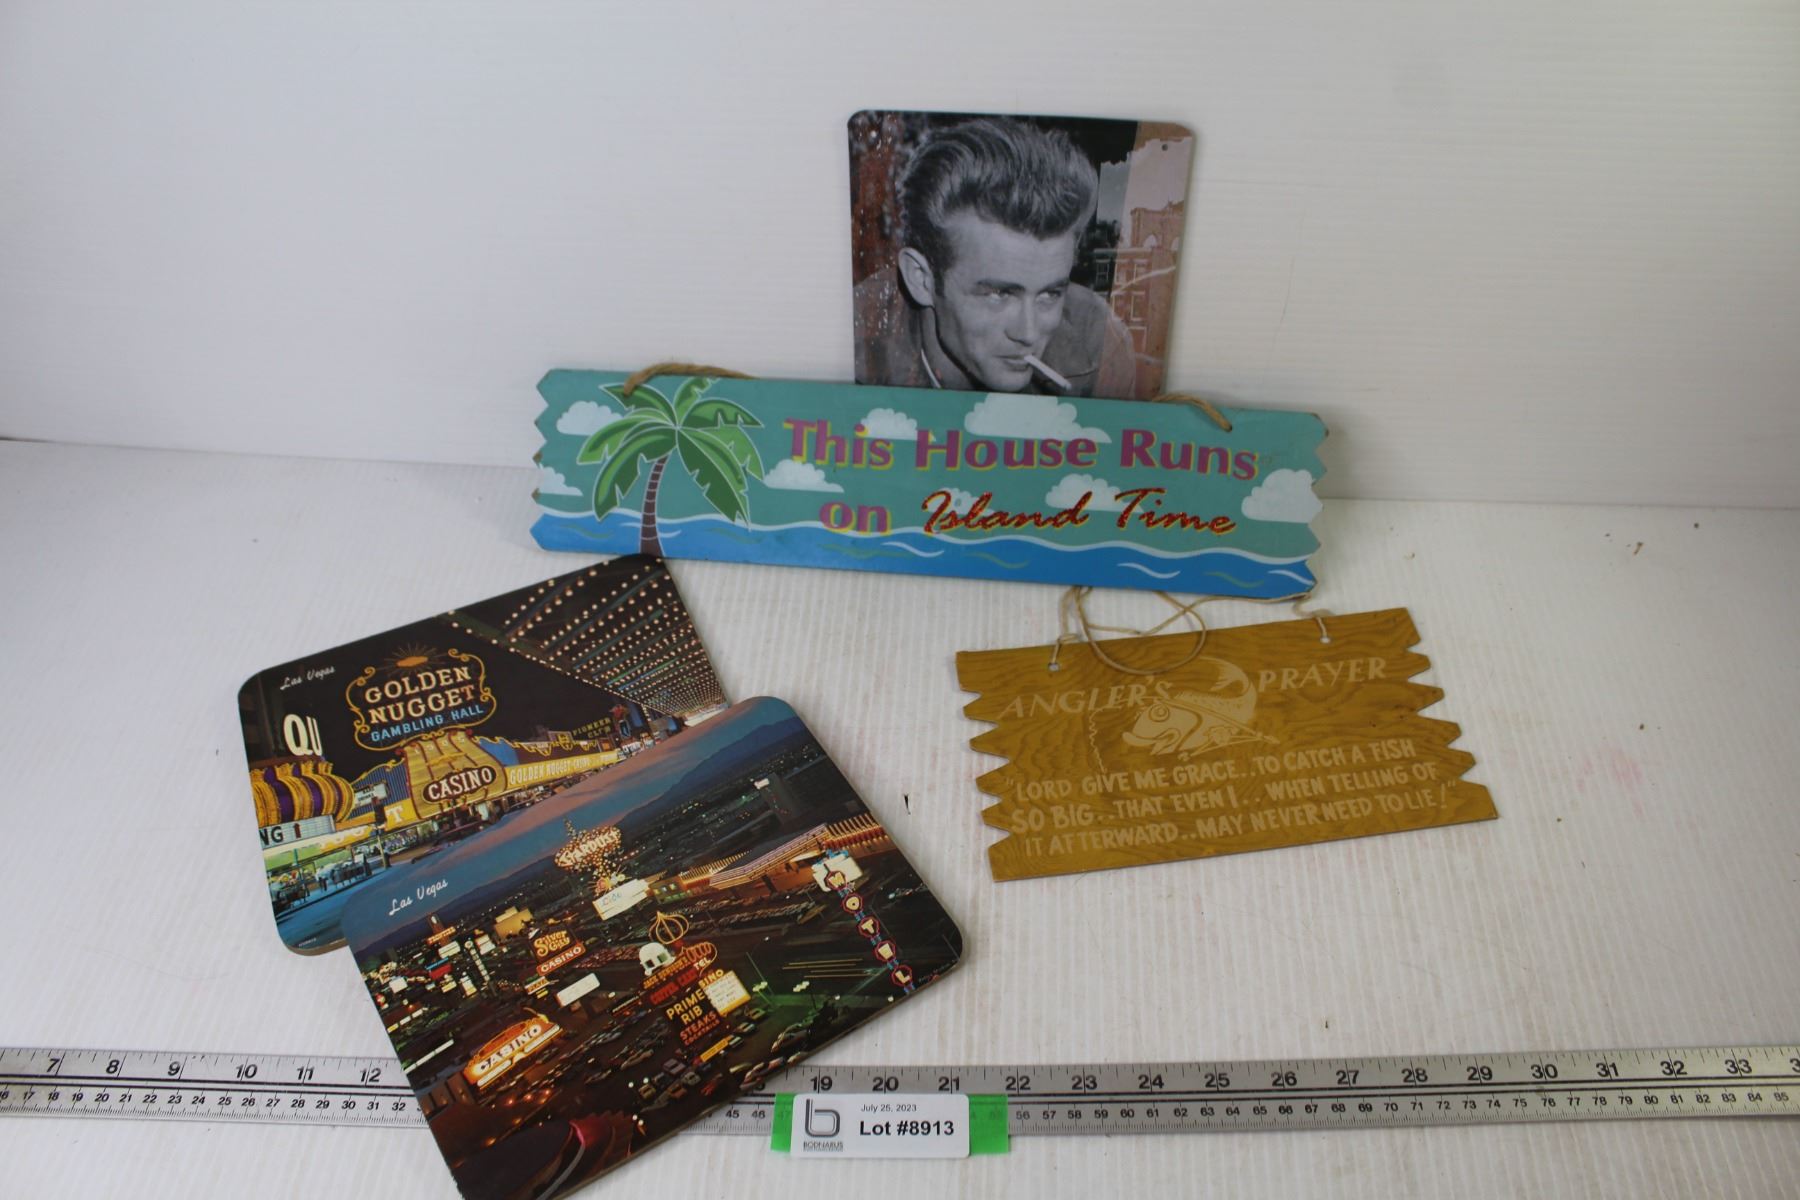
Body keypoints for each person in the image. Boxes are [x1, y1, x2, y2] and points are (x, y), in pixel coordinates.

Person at [854, 117, 1136, 398]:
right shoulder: (854, 351)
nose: (1027, 333)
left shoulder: (1098, 346)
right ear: (921, 280)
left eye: (1050, 294)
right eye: (999, 294)